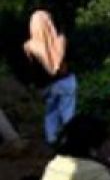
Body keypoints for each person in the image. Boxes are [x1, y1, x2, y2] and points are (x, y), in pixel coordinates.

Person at [23, 10, 76, 145]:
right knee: (67, 111)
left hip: (46, 86)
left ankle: (52, 140)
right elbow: (71, 59)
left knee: (50, 113)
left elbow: (31, 71)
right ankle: (71, 137)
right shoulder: (61, 40)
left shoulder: (29, 47)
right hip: (65, 81)